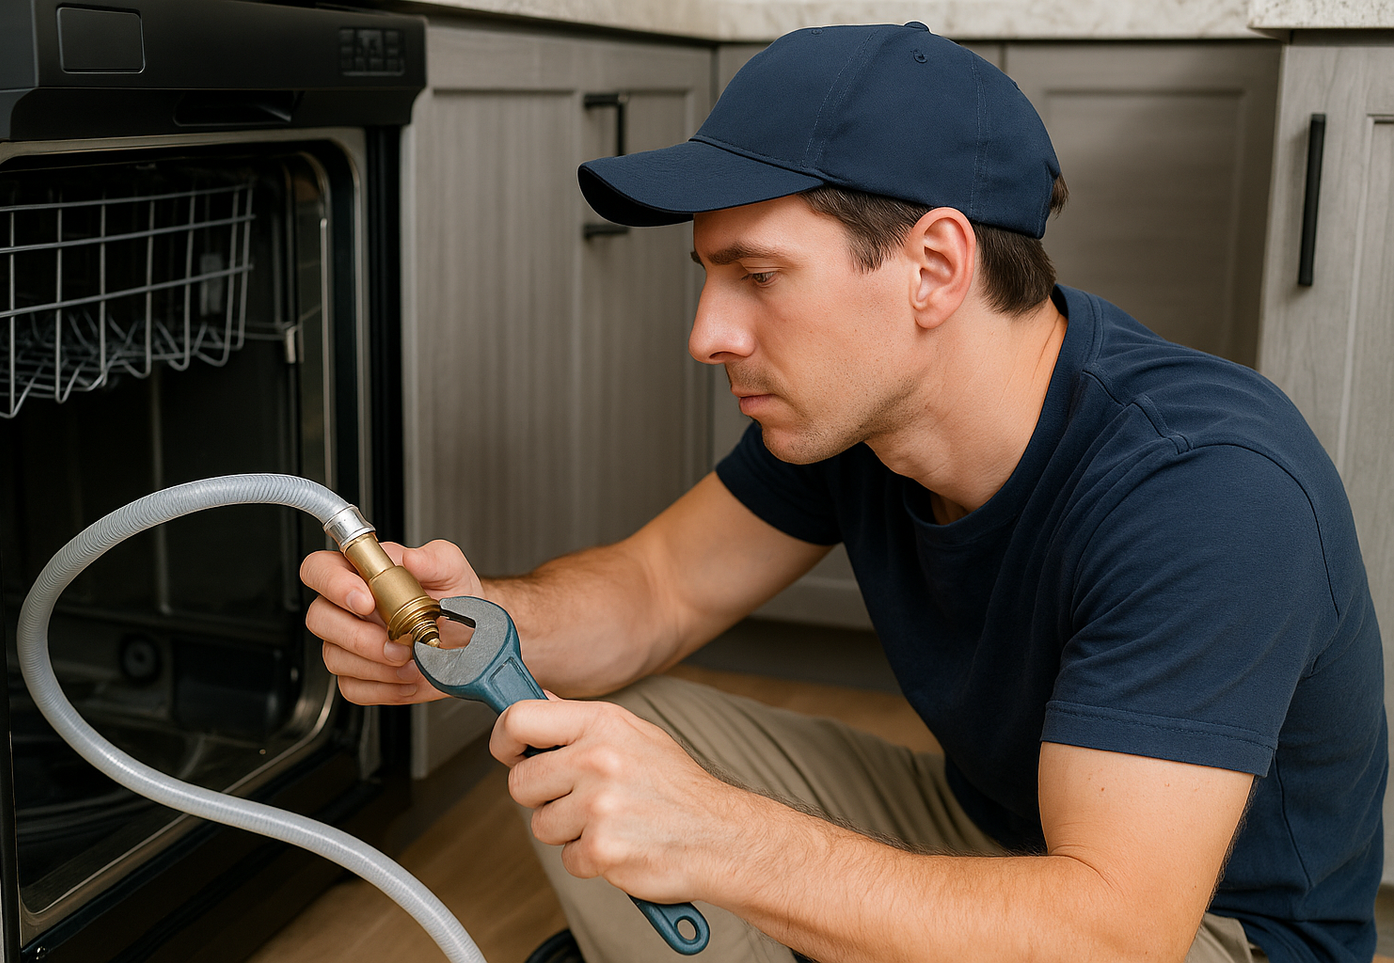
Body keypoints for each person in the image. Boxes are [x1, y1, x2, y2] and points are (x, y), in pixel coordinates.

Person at [300, 22, 1385, 963]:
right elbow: (656, 591)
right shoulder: (854, 416)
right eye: (710, 278)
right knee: (587, 733)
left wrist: (730, 842)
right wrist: (475, 625)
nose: (708, 336)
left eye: (758, 278)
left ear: (932, 268)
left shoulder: (1203, 489)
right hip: (994, 842)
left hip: (1190, 929)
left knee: (710, 833)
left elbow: (1112, 932)